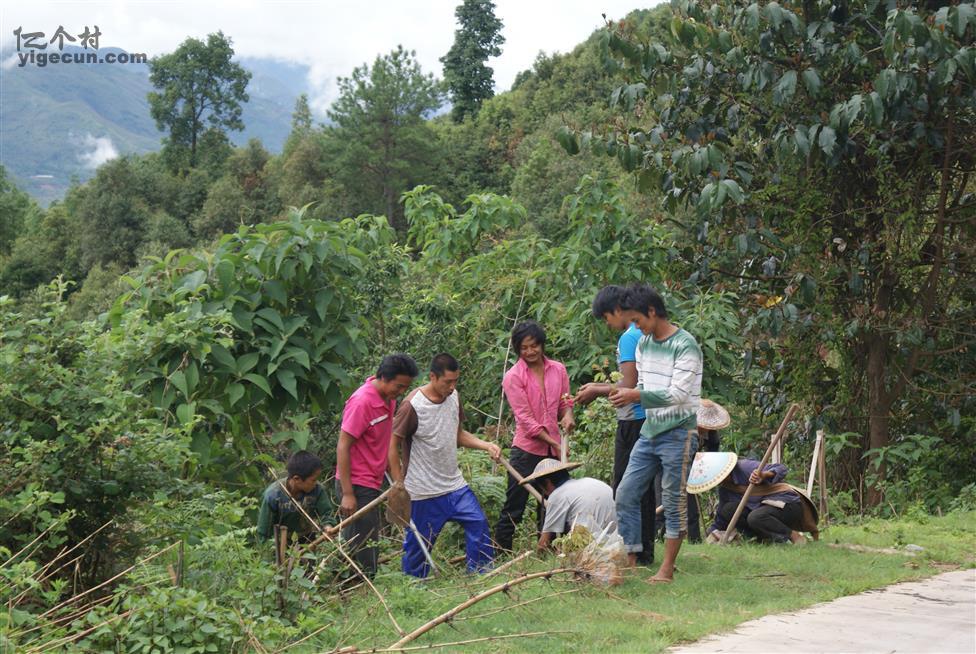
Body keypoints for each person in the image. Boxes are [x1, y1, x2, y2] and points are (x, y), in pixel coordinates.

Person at [609, 283, 702, 583]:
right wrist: (630, 393)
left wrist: (635, 396)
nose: (636, 327)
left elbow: (677, 395)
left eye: (638, 320)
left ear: (652, 312)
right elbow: (645, 386)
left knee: (673, 501)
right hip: (650, 431)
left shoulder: (686, 345)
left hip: (679, 432)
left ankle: (666, 569)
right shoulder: (643, 344)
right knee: (625, 492)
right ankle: (632, 560)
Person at [388, 353, 502, 578]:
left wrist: (485, 445)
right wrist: (399, 484)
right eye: (447, 382)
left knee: (478, 523)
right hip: (422, 490)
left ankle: (480, 575)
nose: (452, 387)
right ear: (432, 377)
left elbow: (457, 434)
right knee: (419, 547)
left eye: (455, 381)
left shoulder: (454, 397)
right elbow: (393, 445)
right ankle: (412, 588)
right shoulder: (412, 405)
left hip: (454, 485)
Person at [577, 284, 655, 565]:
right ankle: (644, 549)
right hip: (647, 417)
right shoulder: (643, 334)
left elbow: (629, 384)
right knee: (643, 488)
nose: (607, 324)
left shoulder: (629, 338)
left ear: (617, 311)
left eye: (606, 318)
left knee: (625, 486)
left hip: (634, 419)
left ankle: (632, 550)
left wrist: (596, 390)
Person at [493, 321, 575, 553]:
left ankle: (552, 550)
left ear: (541, 345)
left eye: (534, 346)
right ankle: (501, 553)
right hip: (527, 451)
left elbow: (565, 401)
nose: (529, 352)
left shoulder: (558, 369)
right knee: (514, 505)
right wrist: (555, 442)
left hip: (553, 451)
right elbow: (527, 421)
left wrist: (568, 415)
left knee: (557, 501)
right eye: (524, 348)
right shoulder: (513, 377)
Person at [336, 354, 418, 576]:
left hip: (374, 481)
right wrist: (347, 493)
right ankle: (356, 591)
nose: (400, 392)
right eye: (398, 386)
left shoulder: (388, 400)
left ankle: (363, 587)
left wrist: (395, 475)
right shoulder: (362, 402)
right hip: (356, 483)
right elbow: (343, 446)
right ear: (384, 377)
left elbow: (385, 441)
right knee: (360, 546)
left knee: (369, 541)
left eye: (405, 388)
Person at [656, 397, 730, 542]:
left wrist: (698, 474)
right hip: (664, 465)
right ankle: (656, 537)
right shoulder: (681, 428)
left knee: (691, 508)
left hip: (690, 469)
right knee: (662, 504)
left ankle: (694, 540)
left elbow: (710, 457)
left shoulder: (712, 436)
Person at [709, 458, 816, 545]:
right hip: (761, 510)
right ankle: (762, 538)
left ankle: (794, 536)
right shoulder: (724, 487)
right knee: (728, 510)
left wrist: (764, 475)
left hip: (786, 504)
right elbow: (721, 518)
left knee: (755, 517)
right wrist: (711, 533)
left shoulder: (745, 467)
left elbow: (781, 468)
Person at [521, 458, 617, 552]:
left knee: (563, 528)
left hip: (594, 546)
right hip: (617, 540)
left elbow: (543, 544)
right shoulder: (589, 481)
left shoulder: (557, 496)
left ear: (547, 483)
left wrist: (539, 559)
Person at [257, 450, 335, 542]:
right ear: (297, 479)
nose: (316, 483)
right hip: (281, 541)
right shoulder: (273, 495)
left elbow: (326, 513)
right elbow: (264, 530)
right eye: (313, 480)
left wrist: (328, 526)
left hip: (308, 538)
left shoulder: (317, 490)